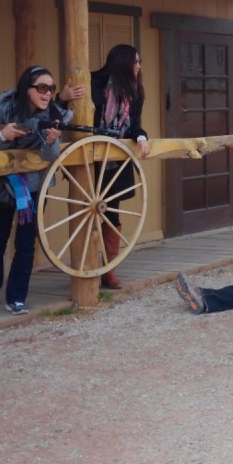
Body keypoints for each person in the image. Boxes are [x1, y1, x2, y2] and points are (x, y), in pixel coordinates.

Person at [0, 66, 73, 315]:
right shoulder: (4, 107)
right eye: (42, 87)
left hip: (34, 185)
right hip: (3, 183)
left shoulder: (53, 113)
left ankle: (17, 296)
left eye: (51, 88)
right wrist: (3, 135)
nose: (47, 93)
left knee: (26, 243)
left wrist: (51, 141)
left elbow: (49, 156)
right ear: (27, 88)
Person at [91, 44, 150, 289]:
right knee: (87, 211)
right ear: (122, 62)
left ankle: (109, 269)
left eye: (139, 61)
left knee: (111, 210)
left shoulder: (134, 91)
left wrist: (141, 137)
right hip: (92, 157)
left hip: (116, 158)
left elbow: (134, 125)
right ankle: (90, 267)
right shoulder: (95, 83)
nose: (138, 66)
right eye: (134, 61)